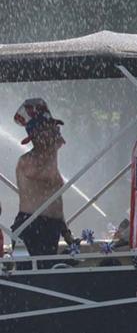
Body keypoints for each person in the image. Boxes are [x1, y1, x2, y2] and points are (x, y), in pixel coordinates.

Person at [11, 99, 73, 257]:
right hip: (31, 225)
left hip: (52, 227)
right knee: (32, 275)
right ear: (37, 134)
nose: (56, 132)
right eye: (51, 128)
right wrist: (54, 149)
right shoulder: (26, 161)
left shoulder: (51, 159)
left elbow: (54, 199)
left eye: (55, 128)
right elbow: (43, 174)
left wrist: (66, 232)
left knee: (48, 272)